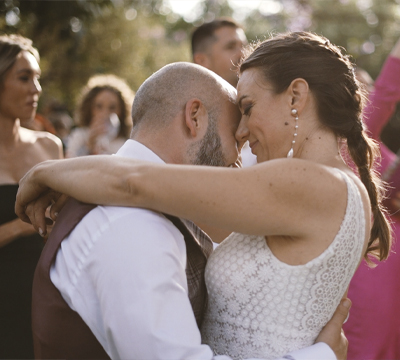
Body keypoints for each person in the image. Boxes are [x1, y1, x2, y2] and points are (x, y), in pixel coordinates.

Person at [16, 61, 349, 360]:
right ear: (195, 117)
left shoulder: (139, 211)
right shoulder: (132, 228)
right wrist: (320, 356)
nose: (238, 157)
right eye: (235, 136)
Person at [0, 34, 63, 359]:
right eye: (24, 78)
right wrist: (22, 226)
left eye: (37, 79)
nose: (36, 90)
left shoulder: (48, 147)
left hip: (43, 294)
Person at [343, 37, 400, 359]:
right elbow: (388, 91)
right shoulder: (348, 143)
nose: (368, 98)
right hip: (372, 266)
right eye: (360, 91)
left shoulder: (377, 149)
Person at [192, 17, 257, 169]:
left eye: (244, 46)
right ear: (201, 60)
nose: (243, 54)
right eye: (231, 47)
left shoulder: (264, 107)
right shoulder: (186, 116)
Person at [66, 74, 134, 157]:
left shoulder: (128, 141)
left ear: (122, 111)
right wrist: (89, 145)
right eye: (99, 106)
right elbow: (69, 164)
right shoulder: (80, 136)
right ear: (89, 108)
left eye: (112, 108)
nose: (105, 113)